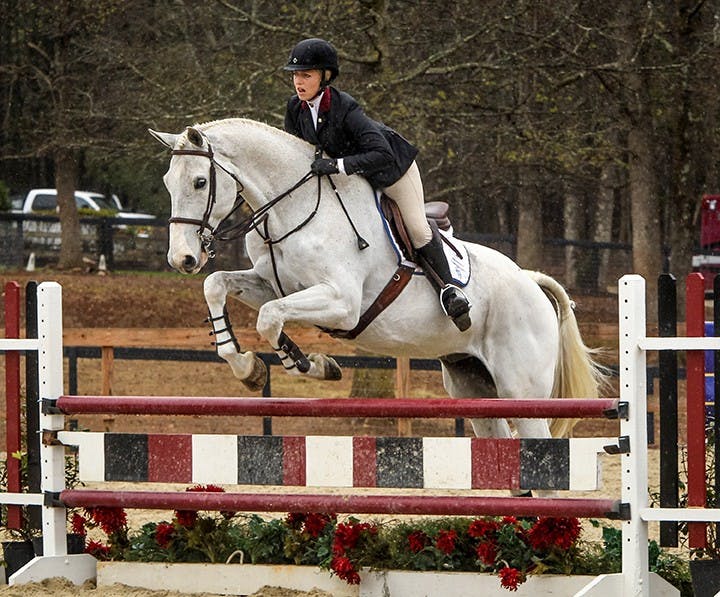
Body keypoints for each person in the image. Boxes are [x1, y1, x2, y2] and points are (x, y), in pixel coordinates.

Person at [283, 38, 471, 332]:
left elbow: (381, 153)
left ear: (326, 77)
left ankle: (451, 291)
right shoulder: (295, 109)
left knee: (417, 227)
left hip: (393, 171)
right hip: (355, 178)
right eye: (295, 75)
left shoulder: (345, 108)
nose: (298, 81)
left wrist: (336, 165)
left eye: (306, 75)